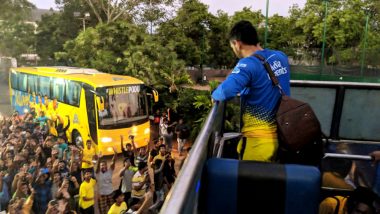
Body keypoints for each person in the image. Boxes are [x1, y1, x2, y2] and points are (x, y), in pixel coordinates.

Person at [211, 20, 290, 162]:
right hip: (283, 137)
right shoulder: (280, 57)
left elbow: (225, 91)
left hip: (258, 144)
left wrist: (214, 95)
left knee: (250, 184)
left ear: (237, 43)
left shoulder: (247, 64)